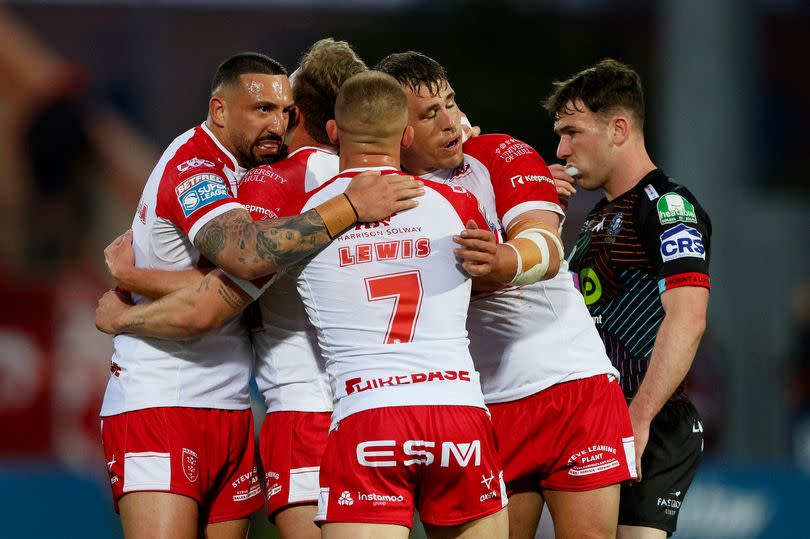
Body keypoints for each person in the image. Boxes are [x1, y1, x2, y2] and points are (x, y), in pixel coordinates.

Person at [98, 51, 423, 539]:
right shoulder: (198, 167)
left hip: (232, 406)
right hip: (161, 399)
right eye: (262, 110)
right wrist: (351, 206)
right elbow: (246, 257)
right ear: (219, 110)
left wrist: (135, 282)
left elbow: (234, 286)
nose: (277, 124)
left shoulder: (257, 175)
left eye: (285, 111)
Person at [377, 51, 637, 539]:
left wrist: (502, 261)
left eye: (451, 103)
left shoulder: (497, 152)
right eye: (431, 114)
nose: (452, 121)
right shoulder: (378, 194)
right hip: (482, 407)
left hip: (571, 385)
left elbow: (545, 247)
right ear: (398, 132)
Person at [297, 70, 506, 539]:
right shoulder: (457, 203)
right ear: (407, 135)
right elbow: (499, 267)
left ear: (333, 133)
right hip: (457, 411)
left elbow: (238, 272)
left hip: (369, 414)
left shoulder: (307, 218)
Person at [546, 58, 710, 539]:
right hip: (592, 420)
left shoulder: (667, 206)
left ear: (618, 128)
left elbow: (689, 318)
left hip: (648, 422)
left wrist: (638, 419)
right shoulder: (596, 217)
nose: (561, 148)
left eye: (572, 131)